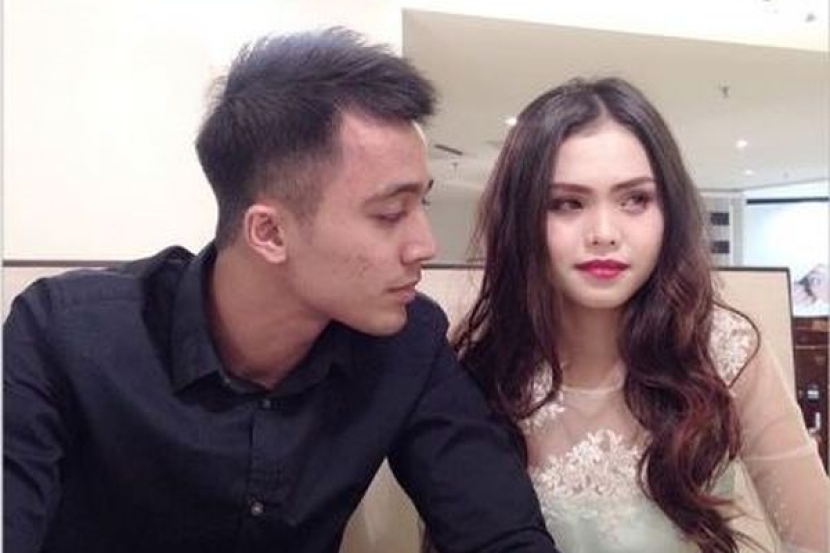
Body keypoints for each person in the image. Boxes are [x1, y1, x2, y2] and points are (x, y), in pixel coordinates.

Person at [3, 28, 558, 553]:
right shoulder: (65, 336)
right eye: (391, 213)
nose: (425, 245)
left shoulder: (407, 341)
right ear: (269, 233)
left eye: (423, 203)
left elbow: (499, 533)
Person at [453, 77, 828, 553]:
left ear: (669, 212)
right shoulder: (482, 362)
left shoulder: (724, 351)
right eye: (567, 203)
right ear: (521, 217)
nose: (604, 233)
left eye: (635, 200)